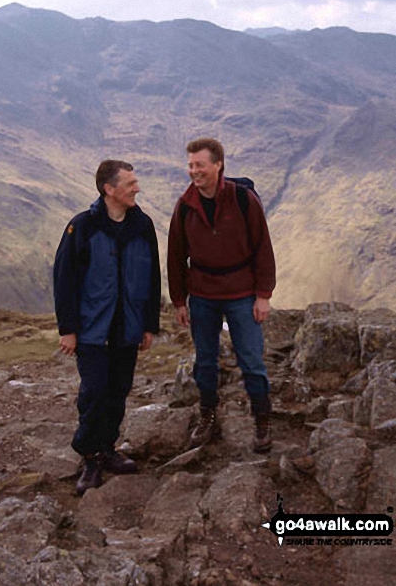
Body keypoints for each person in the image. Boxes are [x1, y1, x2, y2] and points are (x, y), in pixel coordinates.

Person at [54, 160, 160, 494]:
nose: (136, 188)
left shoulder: (143, 226)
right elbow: (64, 279)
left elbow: (152, 278)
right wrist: (67, 329)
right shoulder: (82, 227)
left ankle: (108, 449)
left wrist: (149, 325)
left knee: (118, 390)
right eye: (130, 183)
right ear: (109, 189)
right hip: (91, 330)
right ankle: (89, 455)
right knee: (95, 392)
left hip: (127, 327)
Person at [167, 138, 276, 453]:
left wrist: (263, 295)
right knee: (205, 361)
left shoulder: (243, 200)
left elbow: (262, 248)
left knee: (252, 359)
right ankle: (208, 415)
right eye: (190, 165)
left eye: (199, 165)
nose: (193, 171)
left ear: (218, 165)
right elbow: (176, 257)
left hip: (242, 293)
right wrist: (178, 301)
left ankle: (261, 420)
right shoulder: (185, 206)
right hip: (202, 295)